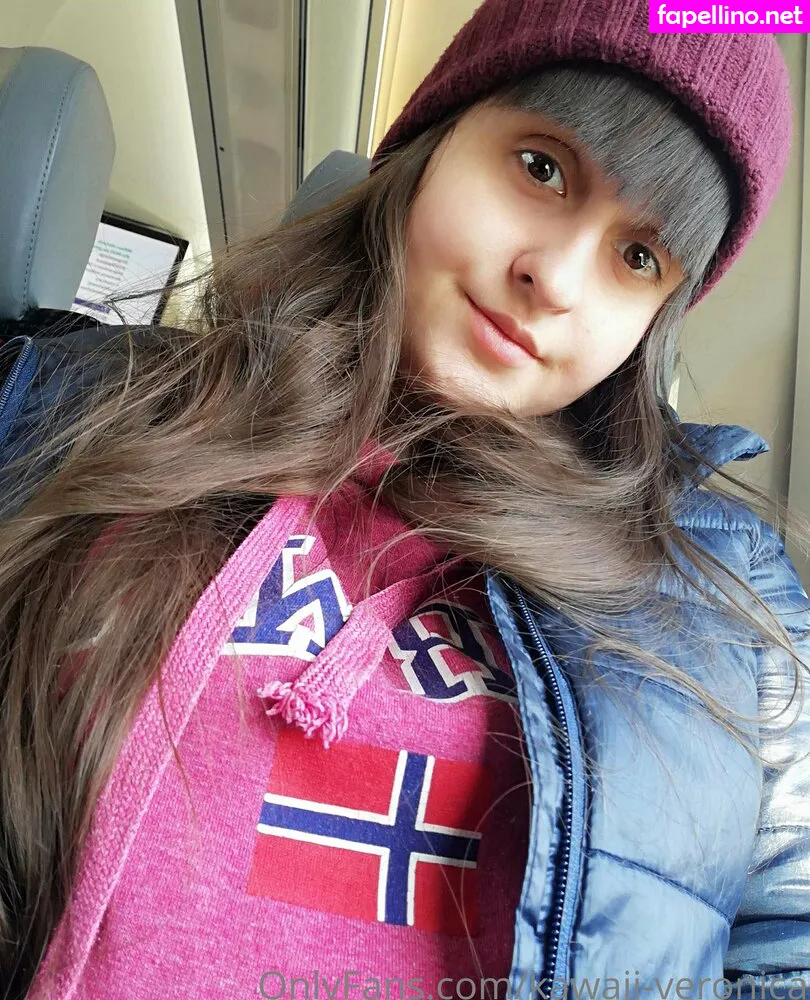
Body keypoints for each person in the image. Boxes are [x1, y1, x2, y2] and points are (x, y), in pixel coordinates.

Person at [0, 0, 807, 997]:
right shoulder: (77, 401)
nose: (555, 279)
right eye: (542, 168)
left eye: (639, 257)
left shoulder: (722, 593)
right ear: (435, 142)